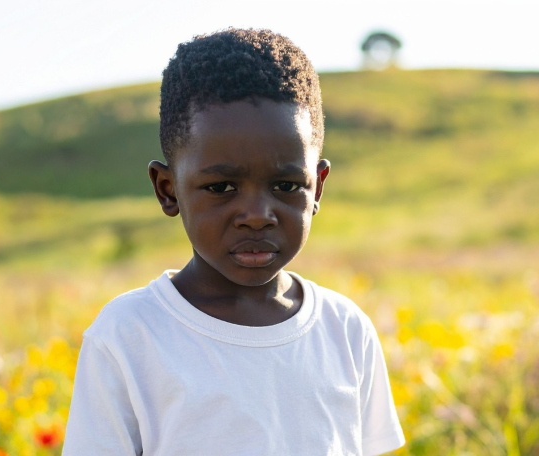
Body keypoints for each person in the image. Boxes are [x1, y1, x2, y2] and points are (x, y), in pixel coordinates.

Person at [61, 28, 406, 455]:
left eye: (285, 184)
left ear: (317, 188)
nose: (257, 215)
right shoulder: (129, 336)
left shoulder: (346, 330)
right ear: (168, 189)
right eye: (222, 187)